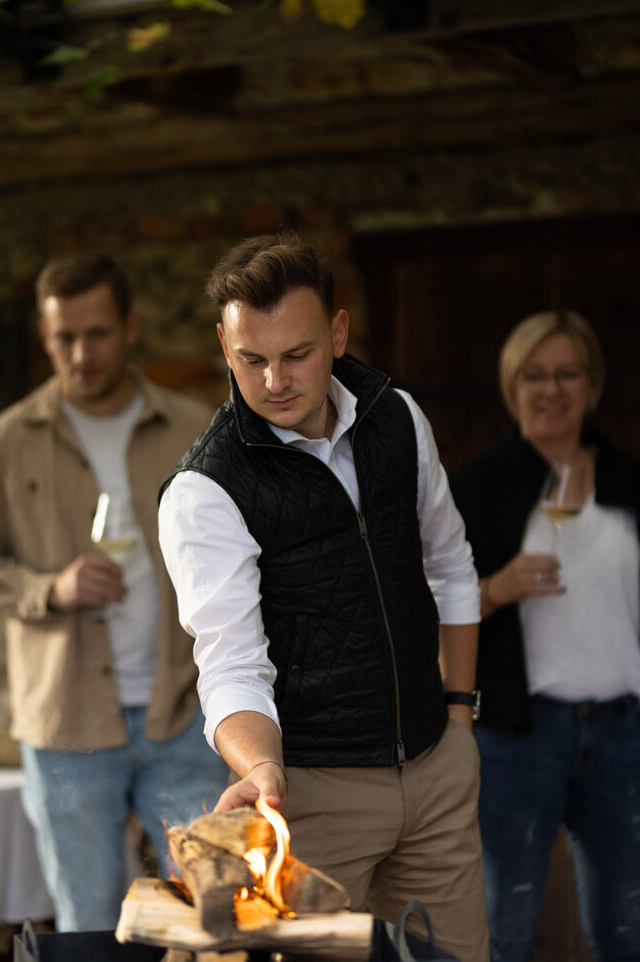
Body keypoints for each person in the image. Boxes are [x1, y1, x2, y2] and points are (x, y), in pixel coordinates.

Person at [157, 233, 489, 962]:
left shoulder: (395, 416)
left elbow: (453, 567)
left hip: (437, 769)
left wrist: (461, 718)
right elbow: (231, 665)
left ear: (338, 333)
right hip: (312, 793)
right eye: (251, 358)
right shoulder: (203, 492)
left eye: (296, 354)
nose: (275, 378)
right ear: (223, 345)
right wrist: (261, 770)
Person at [0, 253, 229, 932]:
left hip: (185, 714)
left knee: (218, 915)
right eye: (64, 337)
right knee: (90, 926)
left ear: (129, 328)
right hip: (67, 725)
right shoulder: (2, 446)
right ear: (45, 338)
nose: (80, 353)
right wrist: (48, 588)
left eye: (96, 333)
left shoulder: (198, 429)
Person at [449, 310, 640, 962]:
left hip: (624, 733)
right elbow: (428, 610)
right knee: (507, 928)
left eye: (566, 374)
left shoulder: (629, 483)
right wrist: (499, 588)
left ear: (593, 386)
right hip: (517, 737)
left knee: (627, 929)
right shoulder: (478, 485)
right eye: (534, 375)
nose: (551, 390)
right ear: (512, 387)